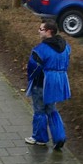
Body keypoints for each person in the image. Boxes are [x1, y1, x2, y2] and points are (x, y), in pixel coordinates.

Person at [25, 19, 70, 151]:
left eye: (41, 29)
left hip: (42, 83)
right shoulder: (66, 47)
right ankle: (59, 137)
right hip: (58, 83)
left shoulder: (40, 49)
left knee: (39, 110)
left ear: (49, 31)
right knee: (52, 110)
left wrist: (30, 79)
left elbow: (33, 67)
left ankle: (40, 138)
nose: (39, 31)